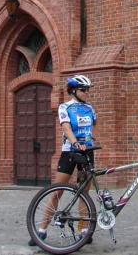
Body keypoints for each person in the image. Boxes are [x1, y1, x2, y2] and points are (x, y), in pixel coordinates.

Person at [28, 74, 97, 246]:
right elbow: (65, 127)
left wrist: (90, 142)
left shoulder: (90, 108)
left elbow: (93, 126)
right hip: (70, 152)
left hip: (87, 152)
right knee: (57, 191)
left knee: (84, 193)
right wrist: (75, 143)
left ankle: (84, 231)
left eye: (87, 89)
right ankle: (41, 230)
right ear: (73, 91)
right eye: (83, 90)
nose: (86, 92)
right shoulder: (65, 107)